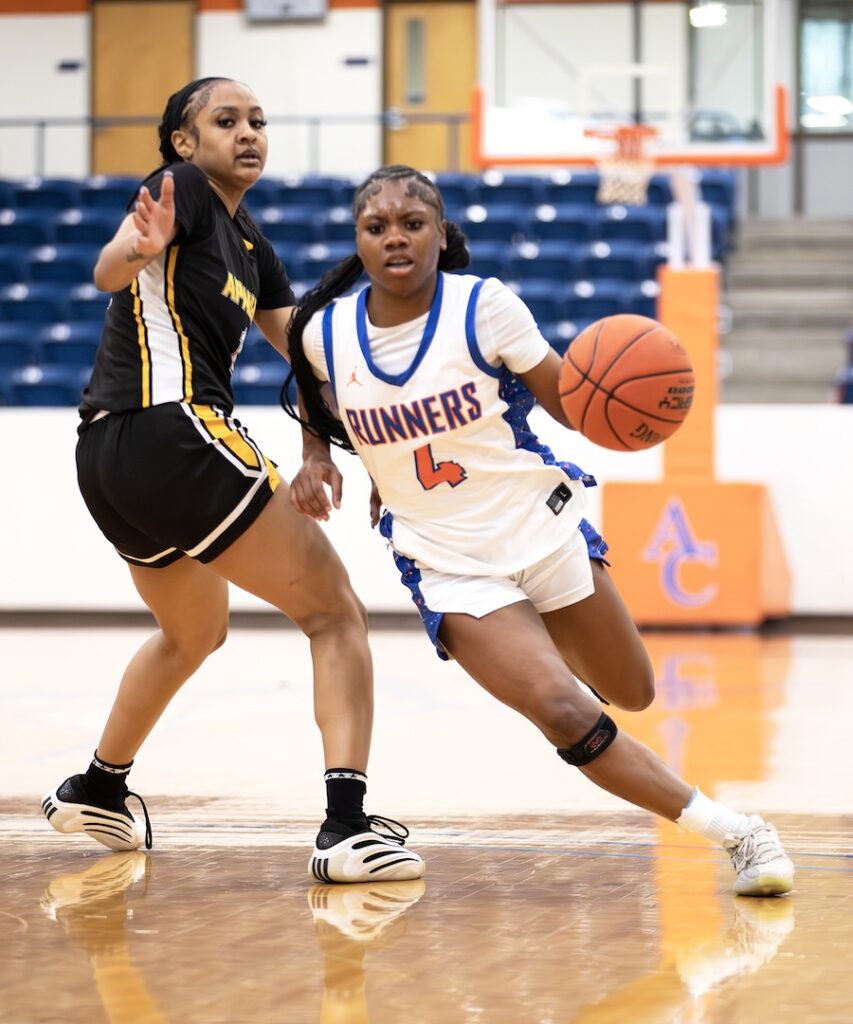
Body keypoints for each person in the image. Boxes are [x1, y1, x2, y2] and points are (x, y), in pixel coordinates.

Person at [283, 164, 794, 898]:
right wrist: (317, 458)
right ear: (358, 241)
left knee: (634, 691)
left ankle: (545, 647)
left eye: (411, 223)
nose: (394, 237)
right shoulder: (322, 331)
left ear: (439, 232)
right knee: (564, 711)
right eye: (376, 227)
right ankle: (737, 832)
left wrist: (633, 402)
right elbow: (311, 394)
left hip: (543, 529)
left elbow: (574, 405)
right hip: (448, 561)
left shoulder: (484, 307)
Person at [41, 80, 424, 885]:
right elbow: (111, 269)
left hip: (108, 459)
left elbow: (308, 363)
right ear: (184, 142)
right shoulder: (176, 189)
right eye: (225, 121)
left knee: (193, 633)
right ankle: (346, 828)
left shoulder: (251, 245)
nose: (248, 132)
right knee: (334, 614)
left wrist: (329, 448)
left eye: (257, 120)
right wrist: (133, 253)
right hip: (174, 429)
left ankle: (98, 786)